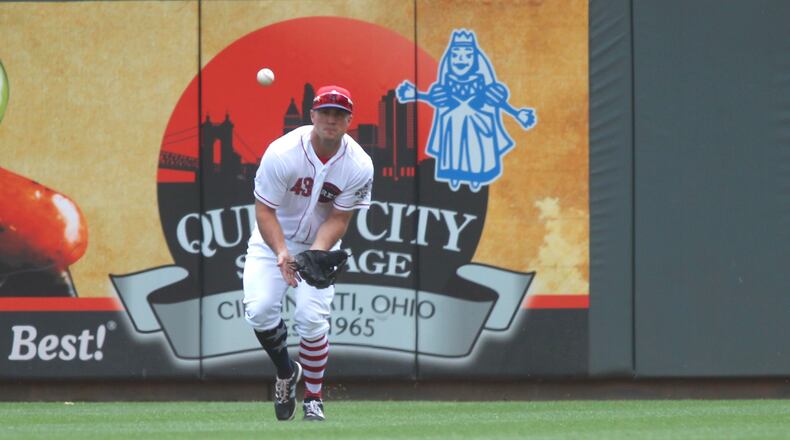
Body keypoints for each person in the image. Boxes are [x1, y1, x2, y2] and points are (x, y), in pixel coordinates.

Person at [243, 85, 373, 422]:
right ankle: (286, 373)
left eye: (339, 114)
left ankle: (314, 398)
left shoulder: (359, 164)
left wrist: (315, 254)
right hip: (274, 239)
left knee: (312, 320)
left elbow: (340, 218)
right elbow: (265, 211)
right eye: (326, 112)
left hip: (319, 242)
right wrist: (283, 253)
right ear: (312, 115)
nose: (332, 119)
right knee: (259, 311)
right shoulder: (283, 152)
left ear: (349, 121)